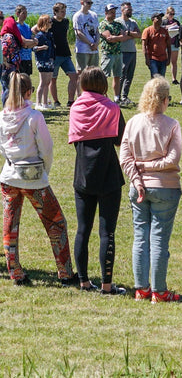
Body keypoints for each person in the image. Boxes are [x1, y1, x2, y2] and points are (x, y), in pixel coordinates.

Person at [0, 72, 76, 286]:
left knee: (10, 225)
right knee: (56, 223)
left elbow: (2, 147)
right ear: (28, 92)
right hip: (34, 179)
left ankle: (14, 272)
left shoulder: (2, 117)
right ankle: (65, 272)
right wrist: (45, 170)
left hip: (9, 176)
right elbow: (47, 149)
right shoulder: (34, 117)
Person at [120, 76, 182, 303]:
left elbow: (125, 158)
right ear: (165, 100)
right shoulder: (172, 124)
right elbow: (173, 159)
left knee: (140, 238)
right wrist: (151, 167)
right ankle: (159, 291)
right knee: (158, 240)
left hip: (139, 189)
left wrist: (137, 179)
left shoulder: (133, 123)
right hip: (165, 187)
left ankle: (142, 289)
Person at [68, 66, 126, 294]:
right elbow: (121, 139)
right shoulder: (112, 108)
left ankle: (83, 281)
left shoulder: (75, 108)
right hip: (109, 175)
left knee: (83, 230)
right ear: (103, 84)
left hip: (83, 174)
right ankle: (107, 285)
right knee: (107, 232)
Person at [2, 16, 37, 106]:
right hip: (8, 67)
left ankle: (11, 105)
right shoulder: (9, 36)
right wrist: (5, 62)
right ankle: (6, 106)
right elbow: (4, 49)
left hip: (13, 65)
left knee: (10, 86)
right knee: (8, 88)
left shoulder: (10, 36)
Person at [49, 2, 78, 108]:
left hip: (65, 53)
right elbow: (38, 29)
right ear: (55, 12)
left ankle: (71, 101)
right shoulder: (50, 21)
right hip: (54, 55)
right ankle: (56, 101)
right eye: (62, 11)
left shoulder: (66, 21)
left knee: (74, 76)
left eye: (65, 11)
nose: (64, 13)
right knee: (53, 78)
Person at [99, 3, 126, 102]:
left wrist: (117, 38)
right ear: (106, 13)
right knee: (105, 76)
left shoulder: (118, 24)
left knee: (117, 76)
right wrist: (118, 37)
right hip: (108, 53)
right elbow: (109, 38)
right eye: (111, 12)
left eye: (114, 12)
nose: (114, 14)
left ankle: (117, 97)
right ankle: (103, 96)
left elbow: (124, 37)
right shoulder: (103, 24)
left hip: (118, 53)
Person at [116, 2, 140, 107]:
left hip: (132, 51)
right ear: (122, 10)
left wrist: (129, 34)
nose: (130, 11)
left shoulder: (133, 22)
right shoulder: (117, 22)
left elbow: (139, 34)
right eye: (128, 10)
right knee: (121, 74)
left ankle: (125, 96)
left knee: (130, 75)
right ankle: (118, 96)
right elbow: (120, 36)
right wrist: (130, 35)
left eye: (131, 9)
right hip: (122, 51)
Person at [72, 0, 100, 73]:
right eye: (88, 3)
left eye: (91, 3)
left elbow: (97, 31)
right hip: (82, 49)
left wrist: (96, 44)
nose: (90, 5)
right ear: (82, 3)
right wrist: (90, 43)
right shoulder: (77, 16)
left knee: (94, 72)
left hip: (94, 49)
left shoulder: (94, 15)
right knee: (81, 72)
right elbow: (79, 33)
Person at [33, 14, 55, 109]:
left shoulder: (49, 34)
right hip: (42, 60)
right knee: (43, 82)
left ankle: (45, 102)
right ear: (44, 23)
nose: (51, 23)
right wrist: (41, 47)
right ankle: (38, 103)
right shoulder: (39, 35)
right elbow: (33, 48)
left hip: (50, 59)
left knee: (48, 82)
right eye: (49, 22)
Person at [142, 12, 172, 78]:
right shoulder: (147, 30)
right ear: (153, 19)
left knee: (161, 78)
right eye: (158, 18)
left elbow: (169, 46)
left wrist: (169, 58)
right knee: (155, 78)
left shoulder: (164, 31)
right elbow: (144, 46)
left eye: (161, 18)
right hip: (152, 59)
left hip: (163, 59)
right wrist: (147, 59)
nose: (160, 20)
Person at [163, 7, 181, 86]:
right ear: (167, 13)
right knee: (165, 61)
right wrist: (169, 26)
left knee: (174, 62)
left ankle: (174, 78)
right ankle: (162, 78)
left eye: (173, 14)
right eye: (170, 14)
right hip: (165, 44)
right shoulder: (163, 21)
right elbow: (160, 28)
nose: (172, 16)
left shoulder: (176, 21)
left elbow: (180, 31)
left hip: (175, 44)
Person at [15, 5, 33, 77]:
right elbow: (24, 43)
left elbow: (34, 41)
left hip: (28, 57)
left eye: (26, 13)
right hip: (20, 58)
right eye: (23, 13)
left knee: (27, 79)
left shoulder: (27, 26)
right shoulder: (15, 26)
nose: (25, 15)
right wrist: (29, 43)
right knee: (20, 79)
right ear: (17, 14)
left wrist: (31, 43)